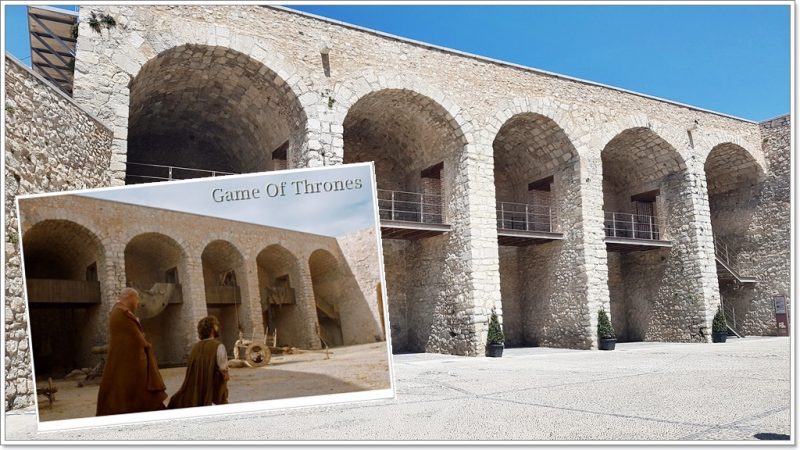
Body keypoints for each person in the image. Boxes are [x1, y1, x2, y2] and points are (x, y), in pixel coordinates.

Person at [96, 288, 167, 416]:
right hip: (132, 364)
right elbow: (139, 339)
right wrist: (147, 344)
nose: (138, 302)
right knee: (141, 395)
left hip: (128, 362)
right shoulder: (123, 313)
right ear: (129, 297)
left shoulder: (118, 311)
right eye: (137, 298)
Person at [167, 316, 230, 408]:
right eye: (216, 326)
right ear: (212, 329)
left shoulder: (195, 347)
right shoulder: (218, 346)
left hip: (196, 387)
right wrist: (225, 376)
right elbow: (224, 370)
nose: (218, 328)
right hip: (212, 386)